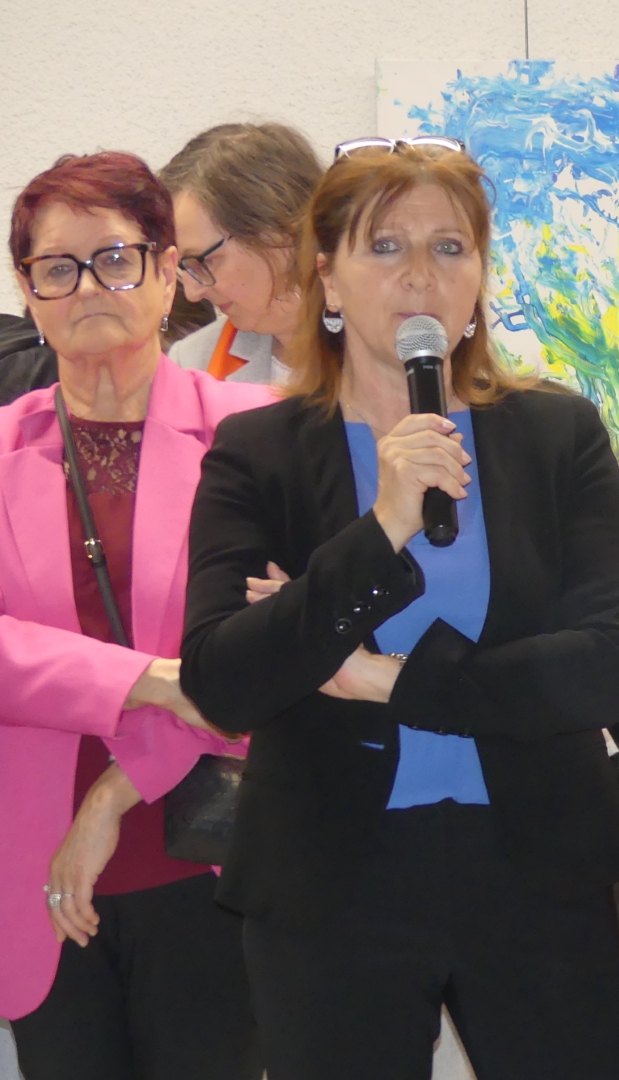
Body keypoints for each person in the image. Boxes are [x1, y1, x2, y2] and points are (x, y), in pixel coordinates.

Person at [179, 140, 619, 1079]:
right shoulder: (258, 452)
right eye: (385, 246)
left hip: (536, 868)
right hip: (330, 882)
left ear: (478, 278)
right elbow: (225, 679)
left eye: (449, 248)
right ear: (327, 277)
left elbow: (603, 666)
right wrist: (382, 526)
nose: (420, 276)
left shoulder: (555, 433)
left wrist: (382, 677)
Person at [1, 151, 270, 1078]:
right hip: (36, 878)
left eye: (115, 259)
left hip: (214, 858)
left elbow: (271, 654)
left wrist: (113, 796)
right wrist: (150, 679)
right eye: (56, 268)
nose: (87, 288)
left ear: (167, 274)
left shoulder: (259, 433)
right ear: (28, 292)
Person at [161, 123, 323, 385]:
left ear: (278, 230)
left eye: (204, 262)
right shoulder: (194, 363)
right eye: (184, 268)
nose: (192, 293)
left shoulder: (387, 347)